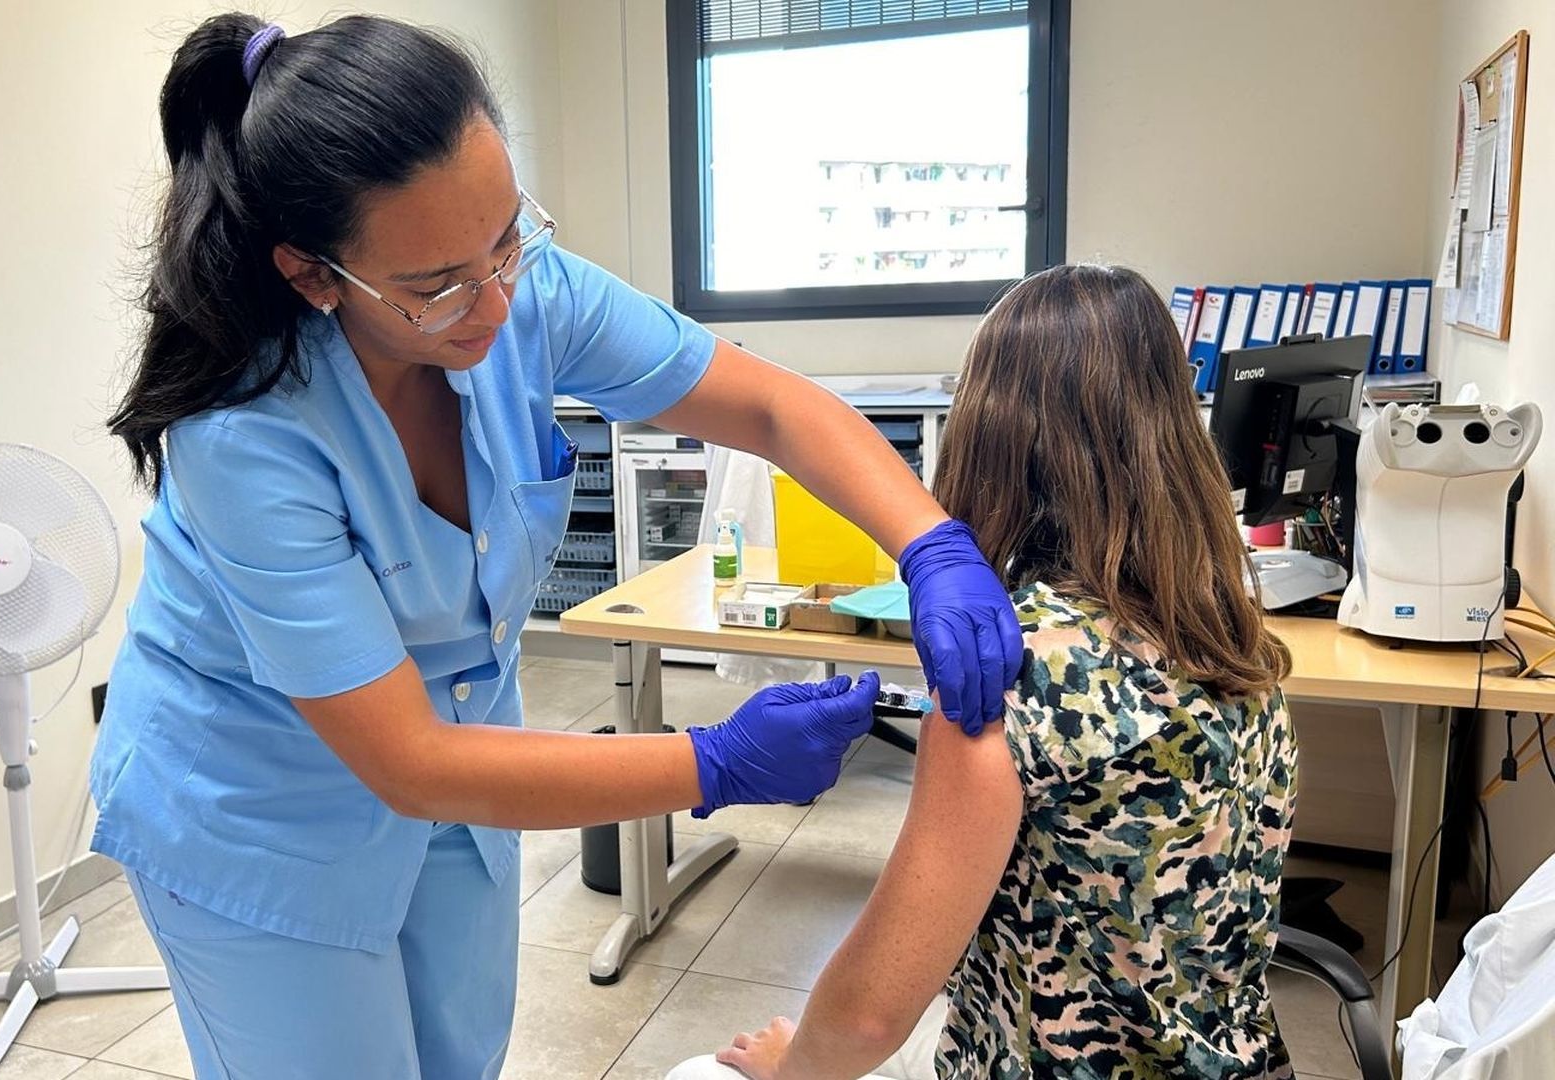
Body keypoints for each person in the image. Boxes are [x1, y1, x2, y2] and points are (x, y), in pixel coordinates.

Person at [91, 13, 1023, 1080]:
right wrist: (712, 763)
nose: (496, 302)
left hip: (460, 761)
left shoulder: (526, 289)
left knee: (459, 1055)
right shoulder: (246, 434)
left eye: (506, 239)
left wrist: (931, 543)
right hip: (258, 805)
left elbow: (768, 406)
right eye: (439, 282)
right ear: (314, 276)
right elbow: (407, 760)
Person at [681, 264, 1300, 1080]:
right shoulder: (1237, 640)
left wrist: (787, 1064)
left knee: (702, 1074)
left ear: (987, 431)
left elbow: (866, 1018)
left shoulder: (1010, 676)